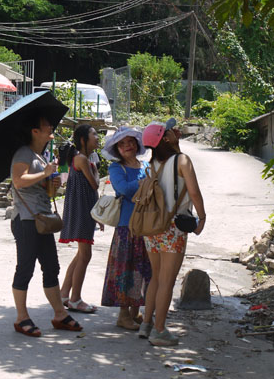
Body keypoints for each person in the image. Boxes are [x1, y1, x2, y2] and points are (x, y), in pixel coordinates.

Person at [11, 114, 83, 337]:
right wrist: (44, 173)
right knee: (25, 268)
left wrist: (51, 183)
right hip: (26, 219)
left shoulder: (41, 156)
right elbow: (18, 181)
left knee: (51, 267)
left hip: (41, 219)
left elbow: (43, 189)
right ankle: (22, 318)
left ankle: (59, 314)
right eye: (46, 125)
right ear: (35, 131)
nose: (51, 126)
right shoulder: (23, 153)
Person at [140, 118, 206, 347]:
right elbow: (194, 193)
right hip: (174, 227)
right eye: (170, 130)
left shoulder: (152, 165)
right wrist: (202, 217)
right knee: (167, 281)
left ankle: (146, 324)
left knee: (155, 278)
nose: (176, 131)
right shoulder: (182, 161)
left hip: (153, 227)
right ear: (165, 138)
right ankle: (159, 330)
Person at [101, 127, 152, 330]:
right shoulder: (116, 169)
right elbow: (123, 189)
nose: (127, 146)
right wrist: (145, 182)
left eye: (130, 142)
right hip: (126, 226)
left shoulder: (146, 165)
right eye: (122, 144)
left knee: (142, 270)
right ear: (117, 150)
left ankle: (135, 311)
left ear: (137, 144)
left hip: (146, 225)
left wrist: (145, 183)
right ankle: (123, 315)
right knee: (125, 271)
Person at [59, 124, 100, 313]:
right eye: (94, 134)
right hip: (82, 210)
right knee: (86, 255)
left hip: (82, 209)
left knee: (81, 255)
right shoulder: (82, 159)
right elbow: (94, 184)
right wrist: (97, 171)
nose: (97, 137)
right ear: (83, 139)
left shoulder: (83, 158)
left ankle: (64, 294)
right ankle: (75, 299)